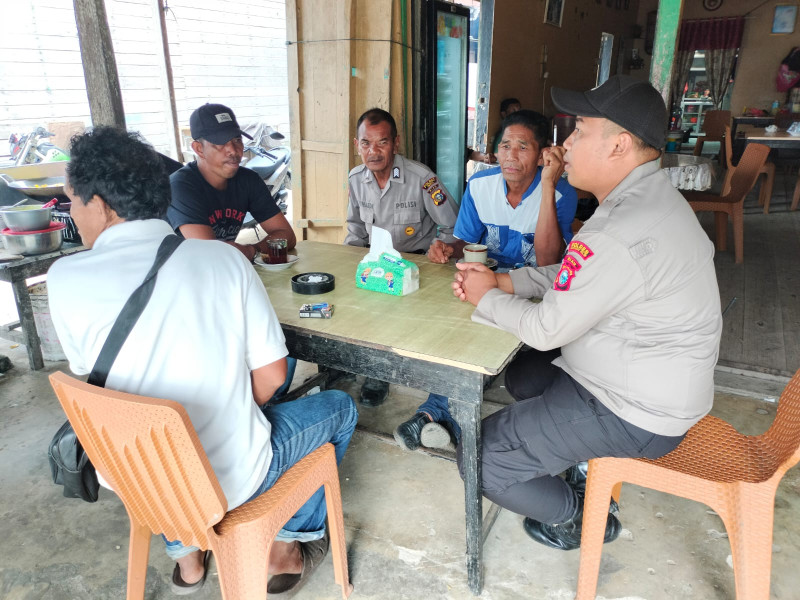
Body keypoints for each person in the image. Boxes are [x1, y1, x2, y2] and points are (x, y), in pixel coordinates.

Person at [48, 126, 358, 595]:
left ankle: (187, 557)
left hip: (136, 481)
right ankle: (287, 545)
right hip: (230, 480)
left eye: (73, 201)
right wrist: (238, 410)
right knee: (339, 406)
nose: (74, 213)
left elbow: (100, 383)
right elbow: (273, 377)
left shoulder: (63, 277)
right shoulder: (222, 261)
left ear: (101, 203)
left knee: (156, 435)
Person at [450, 75, 722, 551]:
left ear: (619, 145)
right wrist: (504, 281)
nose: (566, 144)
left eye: (579, 130)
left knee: (483, 453)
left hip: (637, 411)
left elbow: (545, 326)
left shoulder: (623, 227)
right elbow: (572, 273)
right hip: (637, 379)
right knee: (526, 376)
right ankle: (571, 460)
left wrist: (484, 298)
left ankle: (579, 516)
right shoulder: (640, 200)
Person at [393, 109, 578, 452]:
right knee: (455, 327)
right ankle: (446, 414)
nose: (511, 154)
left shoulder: (561, 194)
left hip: (531, 289)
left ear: (542, 154)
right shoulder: (480, 185)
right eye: (505, 145)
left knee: (484, 332)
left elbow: (549, 262)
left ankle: (437, 414)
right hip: (483, 282)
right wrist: (447, 248)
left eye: (523, 146)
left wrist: (549, 186)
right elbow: (465, 239)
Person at [345, 108, 460, 407]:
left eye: (381, 142)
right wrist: (351, 266)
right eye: (365, 143)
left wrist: (441, 246)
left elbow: (454, 225)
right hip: (378, 267)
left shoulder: (422, 178)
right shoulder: (356, 179)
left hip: (418, 266)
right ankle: (376, 373)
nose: (373, 151)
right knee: (364, 313)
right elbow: (356, 230)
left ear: (395, 143)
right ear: (356, 145)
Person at [167, 103, 296, 263]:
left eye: (237, 140)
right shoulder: (181, 187)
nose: (234, 151)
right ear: (199, 149)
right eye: (221, 143)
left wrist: (252, 250)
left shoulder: (248, 180)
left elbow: (287, 236)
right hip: (182, 276)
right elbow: (212, 255)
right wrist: (253, 251)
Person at [467, 97, 522, 165]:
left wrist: (486, 156)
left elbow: (471, 154)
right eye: (514, 111)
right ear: (504, 114)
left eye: (519, 111)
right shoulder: (504, 134)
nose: (518, 115)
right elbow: (497, 155)